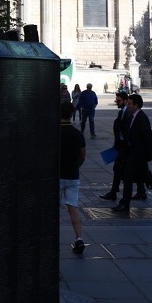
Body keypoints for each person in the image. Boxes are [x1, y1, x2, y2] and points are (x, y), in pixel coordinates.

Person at [112, 94, 152, 212]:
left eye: (130, 104)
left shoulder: (142, 117)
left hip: (138, 154)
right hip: (132, 152)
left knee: (127, 176)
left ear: (136, 105)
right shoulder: (132, 116)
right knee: (146, 178)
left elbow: (148, 137)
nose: (128, 105)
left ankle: (125, 203)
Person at [98, 91, 146, 202]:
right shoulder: (122, 112)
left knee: (124, 170)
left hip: (127, 147)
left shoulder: (130, 113)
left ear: (125, 101)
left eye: (119, 101)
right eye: (116, 100)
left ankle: (123, 196)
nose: (117, 103)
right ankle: (120, 192)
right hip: (122, 145)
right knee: (120, 169)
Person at [60, 101, 86, 254]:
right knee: (73, 208)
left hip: (56, 175)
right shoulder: (77, 134)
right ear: (71, 114)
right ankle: (79, 238)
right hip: (72, 176)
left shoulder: (54, 132)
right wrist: (76, 166)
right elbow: (83, 155)